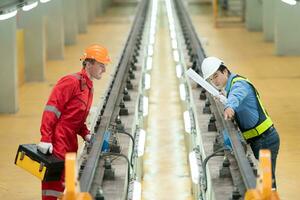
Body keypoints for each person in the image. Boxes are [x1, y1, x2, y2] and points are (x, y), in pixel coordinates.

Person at [37, 44, 111, 200]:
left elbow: (76, 119)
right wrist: (45, 138)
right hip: (58, 141)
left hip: (71, 142)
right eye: (101, 65)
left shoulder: (89, 88)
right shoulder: (70, 82)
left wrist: (86, 134)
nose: (104, 69)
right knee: (54, 185)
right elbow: (51, 110)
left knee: (68, 185)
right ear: (88, 64)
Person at [201, 56, 280, 189]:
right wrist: (224, 99)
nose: (214, 81)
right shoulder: (230, 87)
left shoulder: (239, 84)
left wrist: (229, 106)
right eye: (211, 79)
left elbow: (236, 96)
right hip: (258, 140)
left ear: (225, 71)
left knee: (268, 184)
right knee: (266, 181)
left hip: (266, 139)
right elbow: (232, 97)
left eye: (216, 76)